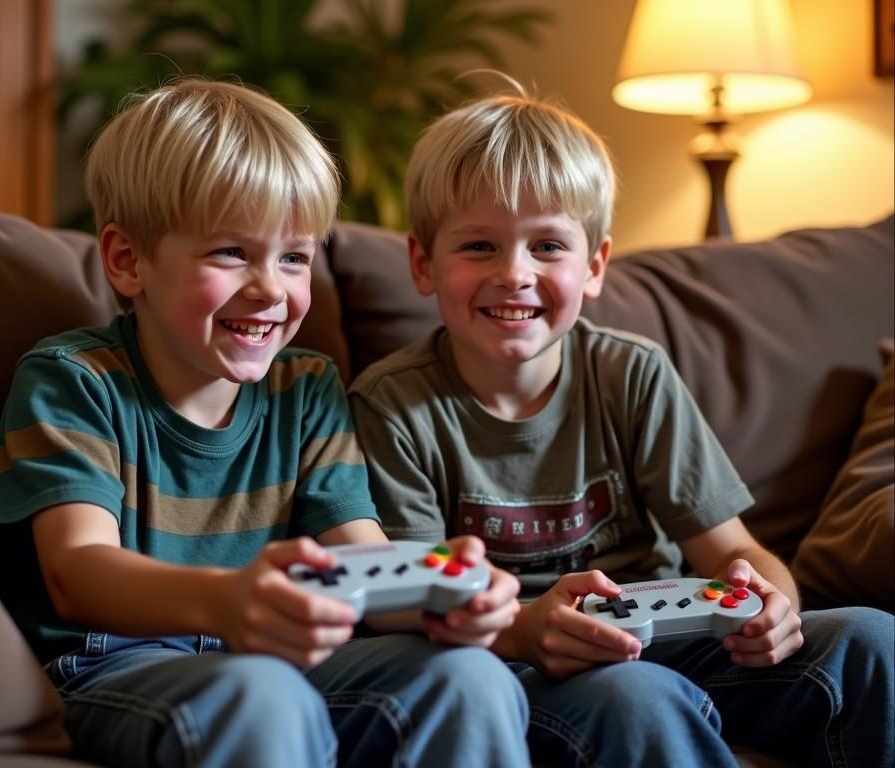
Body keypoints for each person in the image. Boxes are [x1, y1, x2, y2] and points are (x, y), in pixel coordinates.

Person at [0, 78, 530, 768]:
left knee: (467, 674)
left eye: (294, 257)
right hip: (112, 671)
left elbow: (362, 558)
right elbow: (77, 572)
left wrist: (440, 594)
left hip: (274, 664)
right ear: (128, 260)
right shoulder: (74, 380)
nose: (271, 289)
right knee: (262, 693)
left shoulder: (307, 388)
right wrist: (225, 599)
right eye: (231, 252)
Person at [348, 77, 895, 768]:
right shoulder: (392, 404)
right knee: (639, 695)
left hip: (667, 632)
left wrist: (774, 604)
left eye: (547, 247)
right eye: (480, 246)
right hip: (514, 659)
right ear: (423, 264)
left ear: (595, 265)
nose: (515, 273)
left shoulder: (633, 374)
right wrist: (520, 629)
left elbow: (734, 550)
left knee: (872, 640)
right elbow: (409, 604)